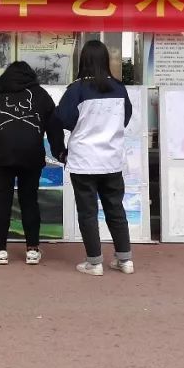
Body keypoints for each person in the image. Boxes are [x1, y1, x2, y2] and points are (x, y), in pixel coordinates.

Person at [56, 40, 133, 276]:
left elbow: (63, 119)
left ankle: (94, 262)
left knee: (88, 212)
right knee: (115, 208)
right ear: (105, 61)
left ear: (84, 61)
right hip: (111, 160)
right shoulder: (119, 89)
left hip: (84, 161)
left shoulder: (76, 89)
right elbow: (126, 118)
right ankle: (125, 260)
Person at [0, 60, 65, 266]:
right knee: (29, 200)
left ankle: (0, 250)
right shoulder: (40, 94)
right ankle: (32, 249)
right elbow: (54, 123)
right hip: (31, 155)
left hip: (2, 155)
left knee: (1, 202)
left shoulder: (1, 94)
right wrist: (59, 151)